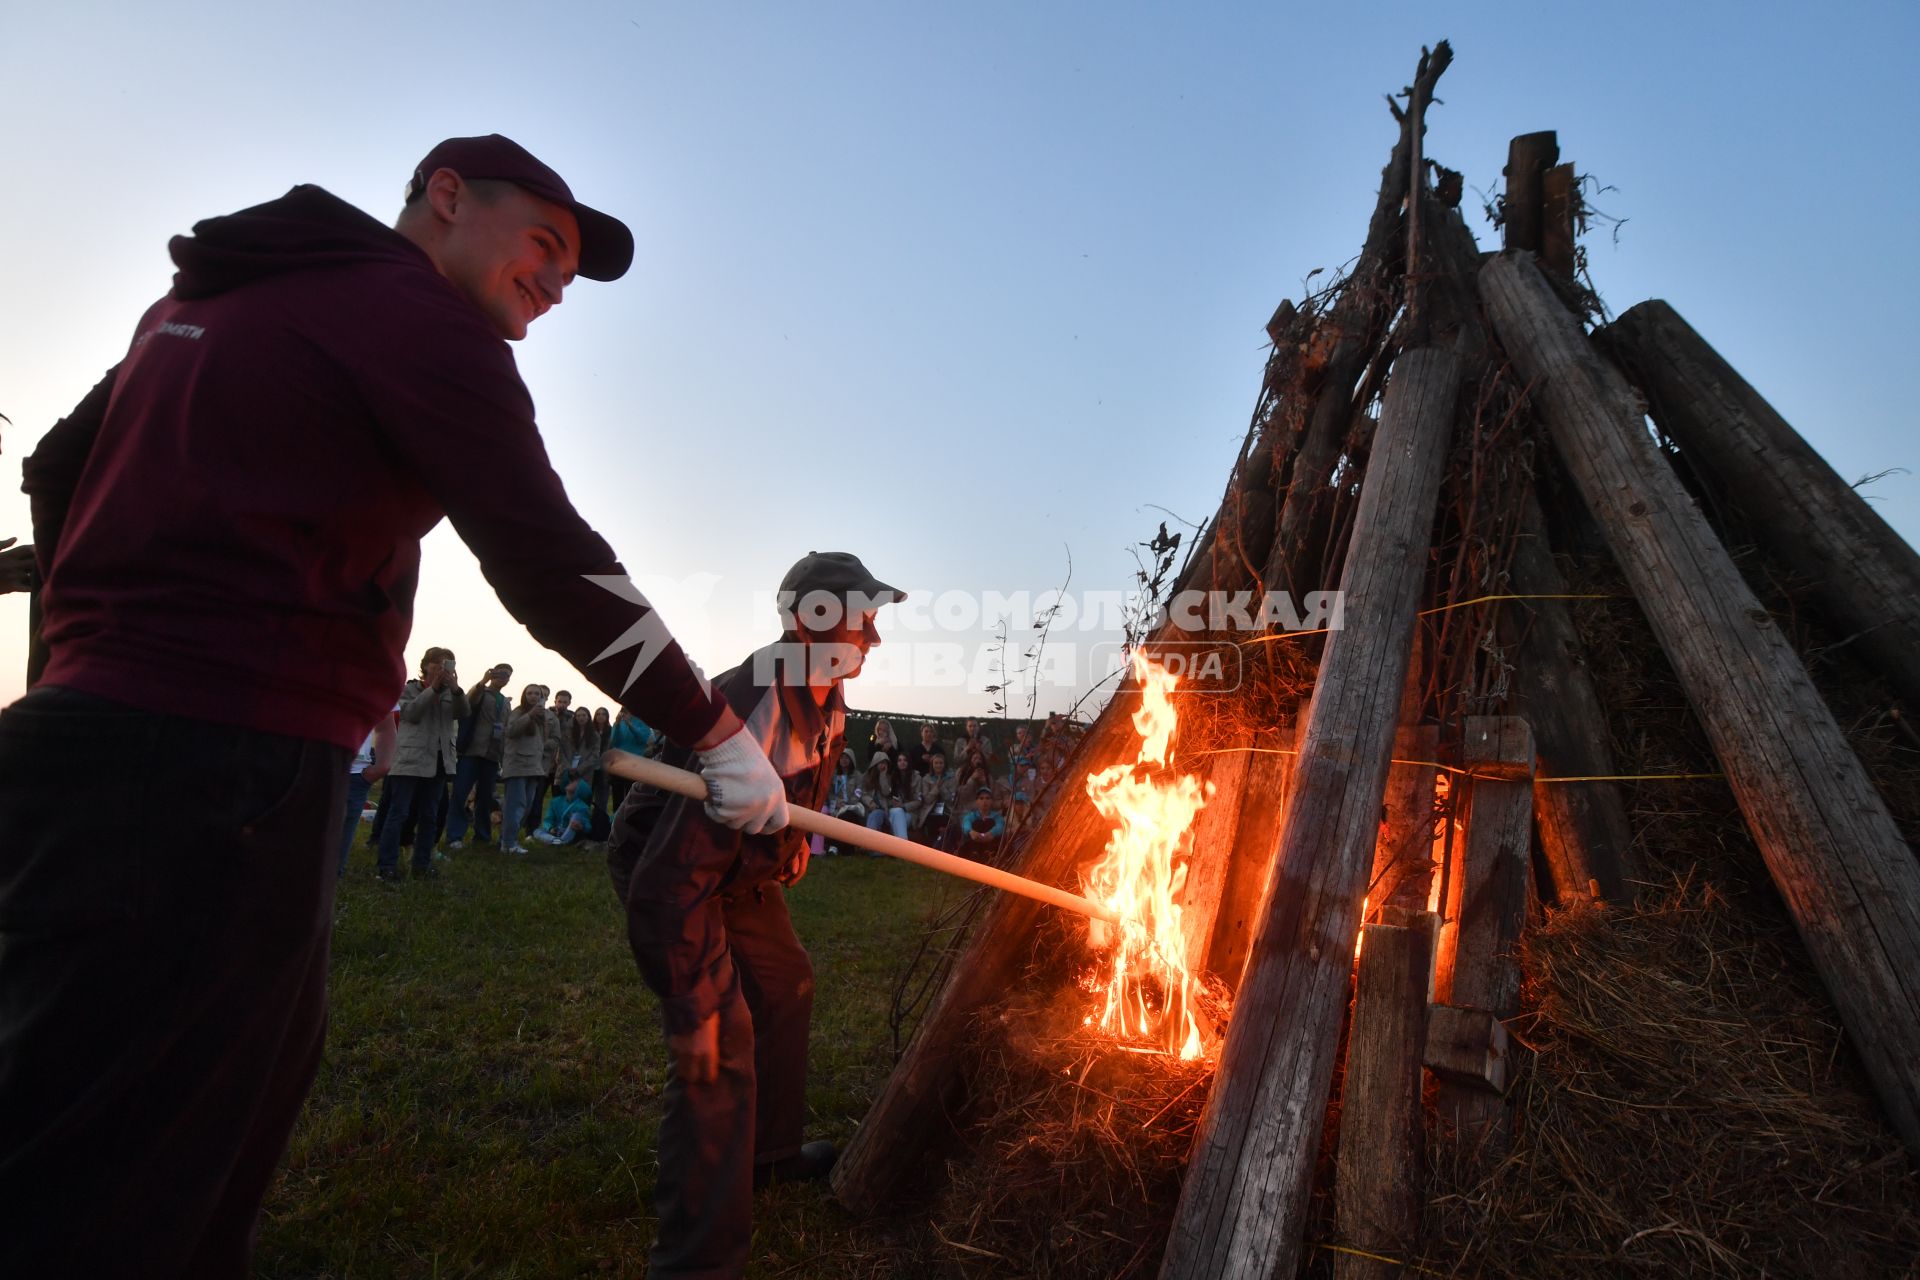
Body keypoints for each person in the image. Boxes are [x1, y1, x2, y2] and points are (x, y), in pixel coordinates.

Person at [1, 133, 789, 1278]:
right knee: (147, 1146)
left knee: (101, 1085)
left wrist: (77, 653)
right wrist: (710, 726)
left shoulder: (215, 295)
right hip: (218, 770)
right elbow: (543, 551)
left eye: (572, 271)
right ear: (446, 195)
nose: (558, 283)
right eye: (545, 243)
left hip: (94, 743)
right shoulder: (414, 318)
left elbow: (65, 462)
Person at [609, 551, 901, 1279]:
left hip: (745, 868)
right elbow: (668, 878)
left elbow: (804, 781)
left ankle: (766, 1157)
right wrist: (692, 1004)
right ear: (810, 620)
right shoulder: (755, 700)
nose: (873, 638)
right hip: (677, 870)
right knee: (721, 1039)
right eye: (862, 620)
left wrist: (792, 842)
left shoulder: (827, 688)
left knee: (786, 983)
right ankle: (693, 1258)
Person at [376, 647, 470, 881]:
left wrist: (456, 690)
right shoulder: (409, 689)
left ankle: (422, 864)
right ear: (426, 665)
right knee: (399, 813)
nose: (441, 666)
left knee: (430, 815)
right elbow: (411, 713)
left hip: (440, 761)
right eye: (436, 662)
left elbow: (464, 712)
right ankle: (386, 865)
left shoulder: (453, 692)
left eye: (447, 662)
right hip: (410, 760)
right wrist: (434, 689)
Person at [447, 662, 513, 848]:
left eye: (507, 675)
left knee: (486, 797)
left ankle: (482, 835)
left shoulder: (506, 702)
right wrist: (483, 681)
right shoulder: (482, 692)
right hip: (472, 751)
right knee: (461, 793)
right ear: (492, 674)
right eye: (500, 673)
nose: (503, 677)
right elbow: (468, 702)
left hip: (492, 756)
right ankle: (455, 835)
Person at [338, 702, 398, 877]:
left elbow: (385, 726)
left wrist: (382, 766)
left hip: (354, 776)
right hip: (302, 769)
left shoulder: (377, 674)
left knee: (332, 866)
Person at [499, 685, 551, 855]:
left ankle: (509, 840)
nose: (533, 696)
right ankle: (508, 844)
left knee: (526, 806)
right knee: (515, 805)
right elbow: (511, 732)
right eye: (530, 693)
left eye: (537, 694)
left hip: (533, 767)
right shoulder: (518, 712)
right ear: (524, 695)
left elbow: (542, 742)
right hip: (517, 765)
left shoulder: (541, 717)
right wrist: (529, 715)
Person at [909, 749, 958, 845]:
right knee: (931, 822)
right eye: (936, 763)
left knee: (947, 822)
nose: (938, 765)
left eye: (941, 763)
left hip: (947, 810)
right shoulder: (926, 779)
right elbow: (926, 800)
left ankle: (944, 847)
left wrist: (942, 788)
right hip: (930, 810)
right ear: (932, 765)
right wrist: (936, 789)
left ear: (944, 764)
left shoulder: (952, 778)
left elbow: (952, 799)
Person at [863, 752, 910, 844]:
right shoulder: (866, 777)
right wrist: (870, 802)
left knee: (878, 814)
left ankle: (897, 847)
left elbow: (886, 792)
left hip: (884, 809)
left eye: (885, 763)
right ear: (875, 763)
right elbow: (862, 793)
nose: (883, 765)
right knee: (874, 815)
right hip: (869, 808)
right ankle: (870, 845)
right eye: (881, 762)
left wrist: (883, 776)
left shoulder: (889, 777)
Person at [958, 787, 1005, 859]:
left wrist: (992, 833)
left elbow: (1000, 826)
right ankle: (974, 853)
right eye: (981, 798)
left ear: (992, 801)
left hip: (990, 843)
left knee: (989, 822)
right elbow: (966, 823)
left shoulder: (997, 816)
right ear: (977, 802)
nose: (984, 801)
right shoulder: (972, 815)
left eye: (987, 798)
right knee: (978, 823)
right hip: (974, 841)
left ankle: (988, 854)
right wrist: (971, 832)